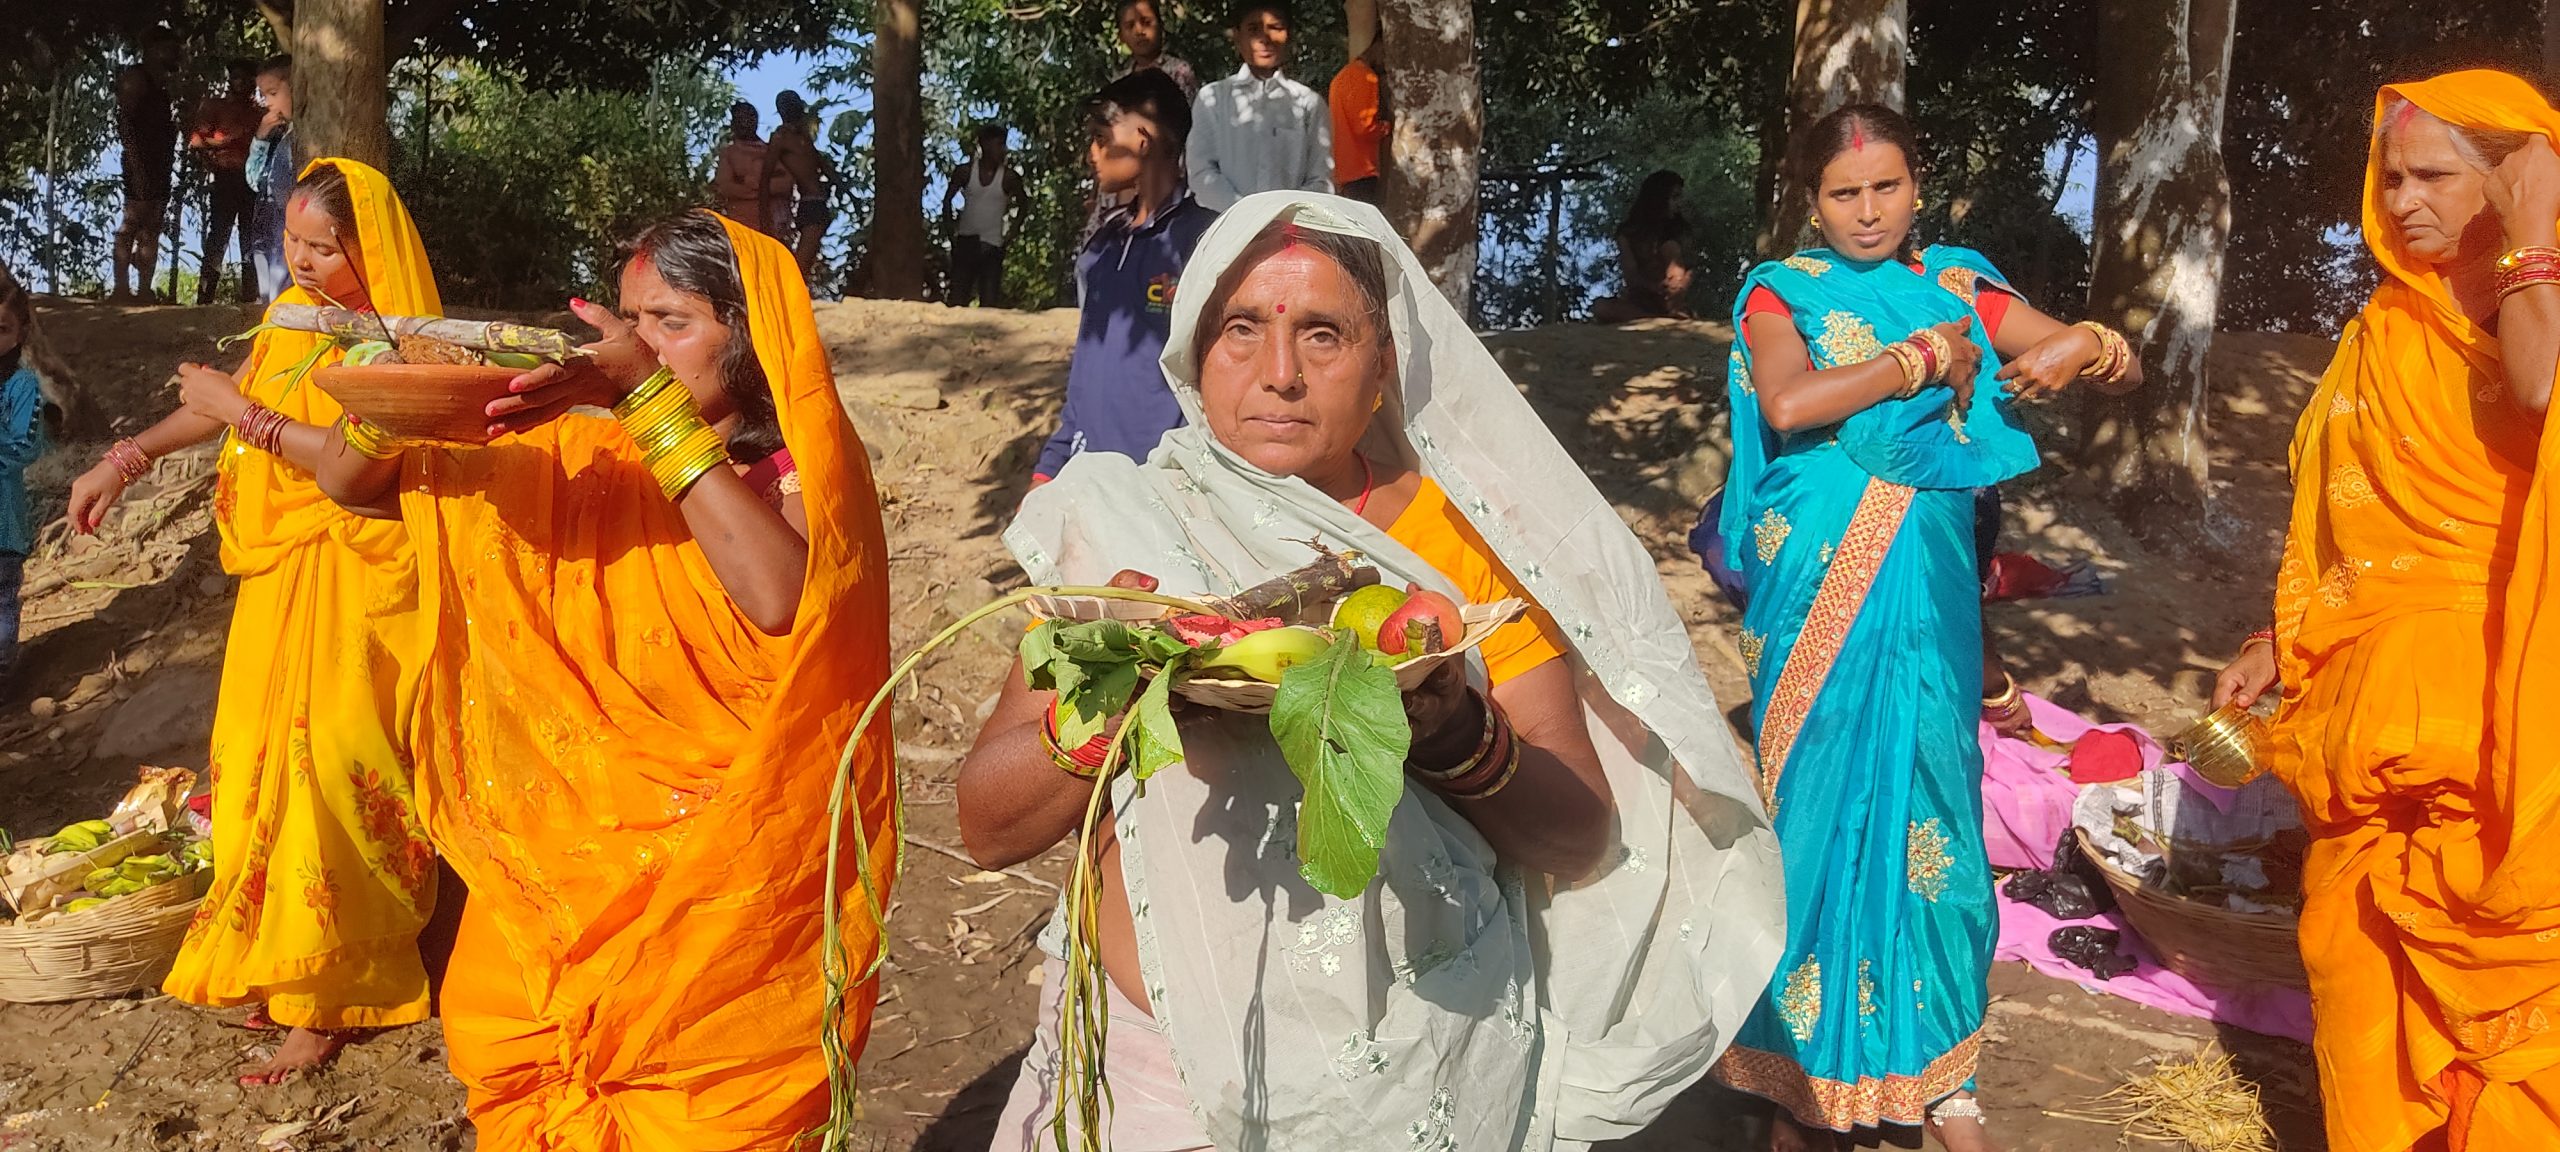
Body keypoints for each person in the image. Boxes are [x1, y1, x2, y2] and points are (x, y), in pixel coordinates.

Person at [970, 191, 1785, 1149]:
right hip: (1152, 1076)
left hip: (1408, 1065)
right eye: (1242, 330)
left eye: (1323, 335)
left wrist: (1450, 731)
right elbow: (987, 826)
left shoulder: (1457, 549)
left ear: (1384, 362)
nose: (1279, 374)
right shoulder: (1120, 532)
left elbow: (1577, 836)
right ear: (1195, 349)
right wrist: (1123, 683)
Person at [309, 210, 898, 1149]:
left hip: (717, 883)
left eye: (673, 321)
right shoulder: (584, 455)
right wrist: (418, 387)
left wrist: (646, 399)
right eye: (627, 320)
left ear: (747, 336)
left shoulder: (799, 469)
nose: (636, 343)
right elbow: (356, 486)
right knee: (513, 1054)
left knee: (696, 1109)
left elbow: (781, 595)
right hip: (561, 872)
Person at [1705, 103, 2141, 1152]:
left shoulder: (1958, 283)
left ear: (1920, 186)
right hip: (1820, 576)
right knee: (1815, 809)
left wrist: (2084, 341)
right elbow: (1790, 404)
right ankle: (1797, 1078)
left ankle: (1938, 1064)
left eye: (1885, 188)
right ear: (1809, 203)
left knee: (1934, 805)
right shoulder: (1783, 290)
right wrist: (1920, 362)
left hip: (1930, 584)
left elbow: (2082, 349)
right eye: (1842, 194)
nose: (1865, 212)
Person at [2209, 70, 2560, 1152]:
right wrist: (2285, 636)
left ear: (2506, 176)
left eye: (2434, 176)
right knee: (2353, 959)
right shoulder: (2390, 319)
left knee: (2485, 996)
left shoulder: (2530, 301)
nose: (2401, 198)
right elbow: (2362, 526)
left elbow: (2543, 389)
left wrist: (2536, 227)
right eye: (2390, 175)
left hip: (2486, 706)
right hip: (2368, 694)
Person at [64, 159, 443, 1085]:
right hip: (276, 584)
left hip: (355, 580)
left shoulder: (403, 346)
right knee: (258, 765)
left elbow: (354, 463)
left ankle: (327, 996)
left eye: (327, 246)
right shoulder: (289, 321)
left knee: (338, 768)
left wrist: (242, 413)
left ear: (371, 246)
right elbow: (219, 406)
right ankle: (275, 960)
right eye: (295, 242)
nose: (306, 260)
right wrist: (126, 459)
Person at [1032, 70, 1216, 488]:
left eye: (1100, 137)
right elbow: (1086, 374)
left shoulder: (1206, 242)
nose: (1091, 154)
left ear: (1141, 140)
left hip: (1168, 485)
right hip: (1084, 480)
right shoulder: (1102, 248)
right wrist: (1050, 466)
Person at [1186, 1, 1330, 211]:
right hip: (1227, 225)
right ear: (1237, 36)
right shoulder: (1213, 99)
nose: (1265, 38)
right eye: (1253, 29)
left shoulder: (1309, 103)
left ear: (1289, 35)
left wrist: (1281, 219)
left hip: (1290, 231)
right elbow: (1201, 172)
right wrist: (1245, 215)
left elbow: (1321, 180)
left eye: (1276, 28)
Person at [0, 275, 58, 690]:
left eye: (1, 329)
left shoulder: (22, 386)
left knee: (2, 603)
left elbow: (25, 447)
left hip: (5, 525)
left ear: (21, 332)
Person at [187, 60, 263, 305]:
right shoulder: (215, 106)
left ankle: (249, 297)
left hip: (252, 181)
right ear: (230, 79)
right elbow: (196, 143)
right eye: (238, 77)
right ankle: (205, 297)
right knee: (219, 235)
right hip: (225, 177)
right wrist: (225, 144)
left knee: (249, 237)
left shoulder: (259, 113)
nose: (242, 83)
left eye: (248, 79)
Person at [114, 34, 182, 302]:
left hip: (160, 160)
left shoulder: (163, 84)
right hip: (139, 159)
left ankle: (144, 290)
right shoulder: (137, 78)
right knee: (132, 221)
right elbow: (126, 124)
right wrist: (135, 162)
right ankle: (121, 288)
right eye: (164, 48)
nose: (170, 54)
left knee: (152, 224)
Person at [1594, 170, 1694, 322]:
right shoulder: (1629, 234)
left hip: (1672, 303)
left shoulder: (1679, 231)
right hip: (1640, 304)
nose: (1679, 203)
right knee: (1601, 307)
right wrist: (1655, 287)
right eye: (1674, 197)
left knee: (1670, 248)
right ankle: (1659, 320)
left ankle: (1673, 314)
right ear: (1659, 199)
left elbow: (1690, 270)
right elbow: (1631, 277)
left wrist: (1678, 286)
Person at [943, 125, 1023, 307]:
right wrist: (952, 236)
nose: (1003, 150)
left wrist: (1010, 236)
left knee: (989, 303)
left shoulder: (1009, 177)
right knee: (957, 300)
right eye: (999, 145)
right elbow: (946, 202)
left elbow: (1023, 205)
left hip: (992, 246)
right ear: (984, 145)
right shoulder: (965, 172)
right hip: (966, 242)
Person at [764, 90, 840, 280]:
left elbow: (822, 164)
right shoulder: (781, 138)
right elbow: (765, 177)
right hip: (810, 202)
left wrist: (838, 185)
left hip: (816, 201)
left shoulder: (803, 137)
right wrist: (763, 212)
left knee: (808, 257)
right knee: (803, 261)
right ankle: (790, 295)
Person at [1328, 0, 1391, 205]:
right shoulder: (1367, 77)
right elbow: (1365, 128)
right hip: (1362, 170)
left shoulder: (1341, 77)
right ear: (1378, 46)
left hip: (1342, 170)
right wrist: (1387, 127)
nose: (1386, 62)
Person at [246, 56, 296, 302]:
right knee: (270, 299)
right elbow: (254, 179)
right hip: (267, 232)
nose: (267, 103)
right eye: (264, 95)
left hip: (291, 233)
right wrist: (261, 137)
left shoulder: (307, 138)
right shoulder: (278, 136)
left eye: (273, 93)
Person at [713, 101, 793, 239]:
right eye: (739, 119)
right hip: (743, 228)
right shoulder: (729, 153)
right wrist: (760, 187)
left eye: (748, 118)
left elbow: (785, 184)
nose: (744, 123)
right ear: (733, 123)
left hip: (775, 227)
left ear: (756, 120)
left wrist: (747, 181)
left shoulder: (772, 151)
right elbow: (725, 187)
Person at [1116, 0, 1198, 99]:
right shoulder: (1120, 79)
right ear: (1121, 37)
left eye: (1146, 22)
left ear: (1161, 27)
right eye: (1130, 26)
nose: (1139, 31)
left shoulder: (1179, 72)